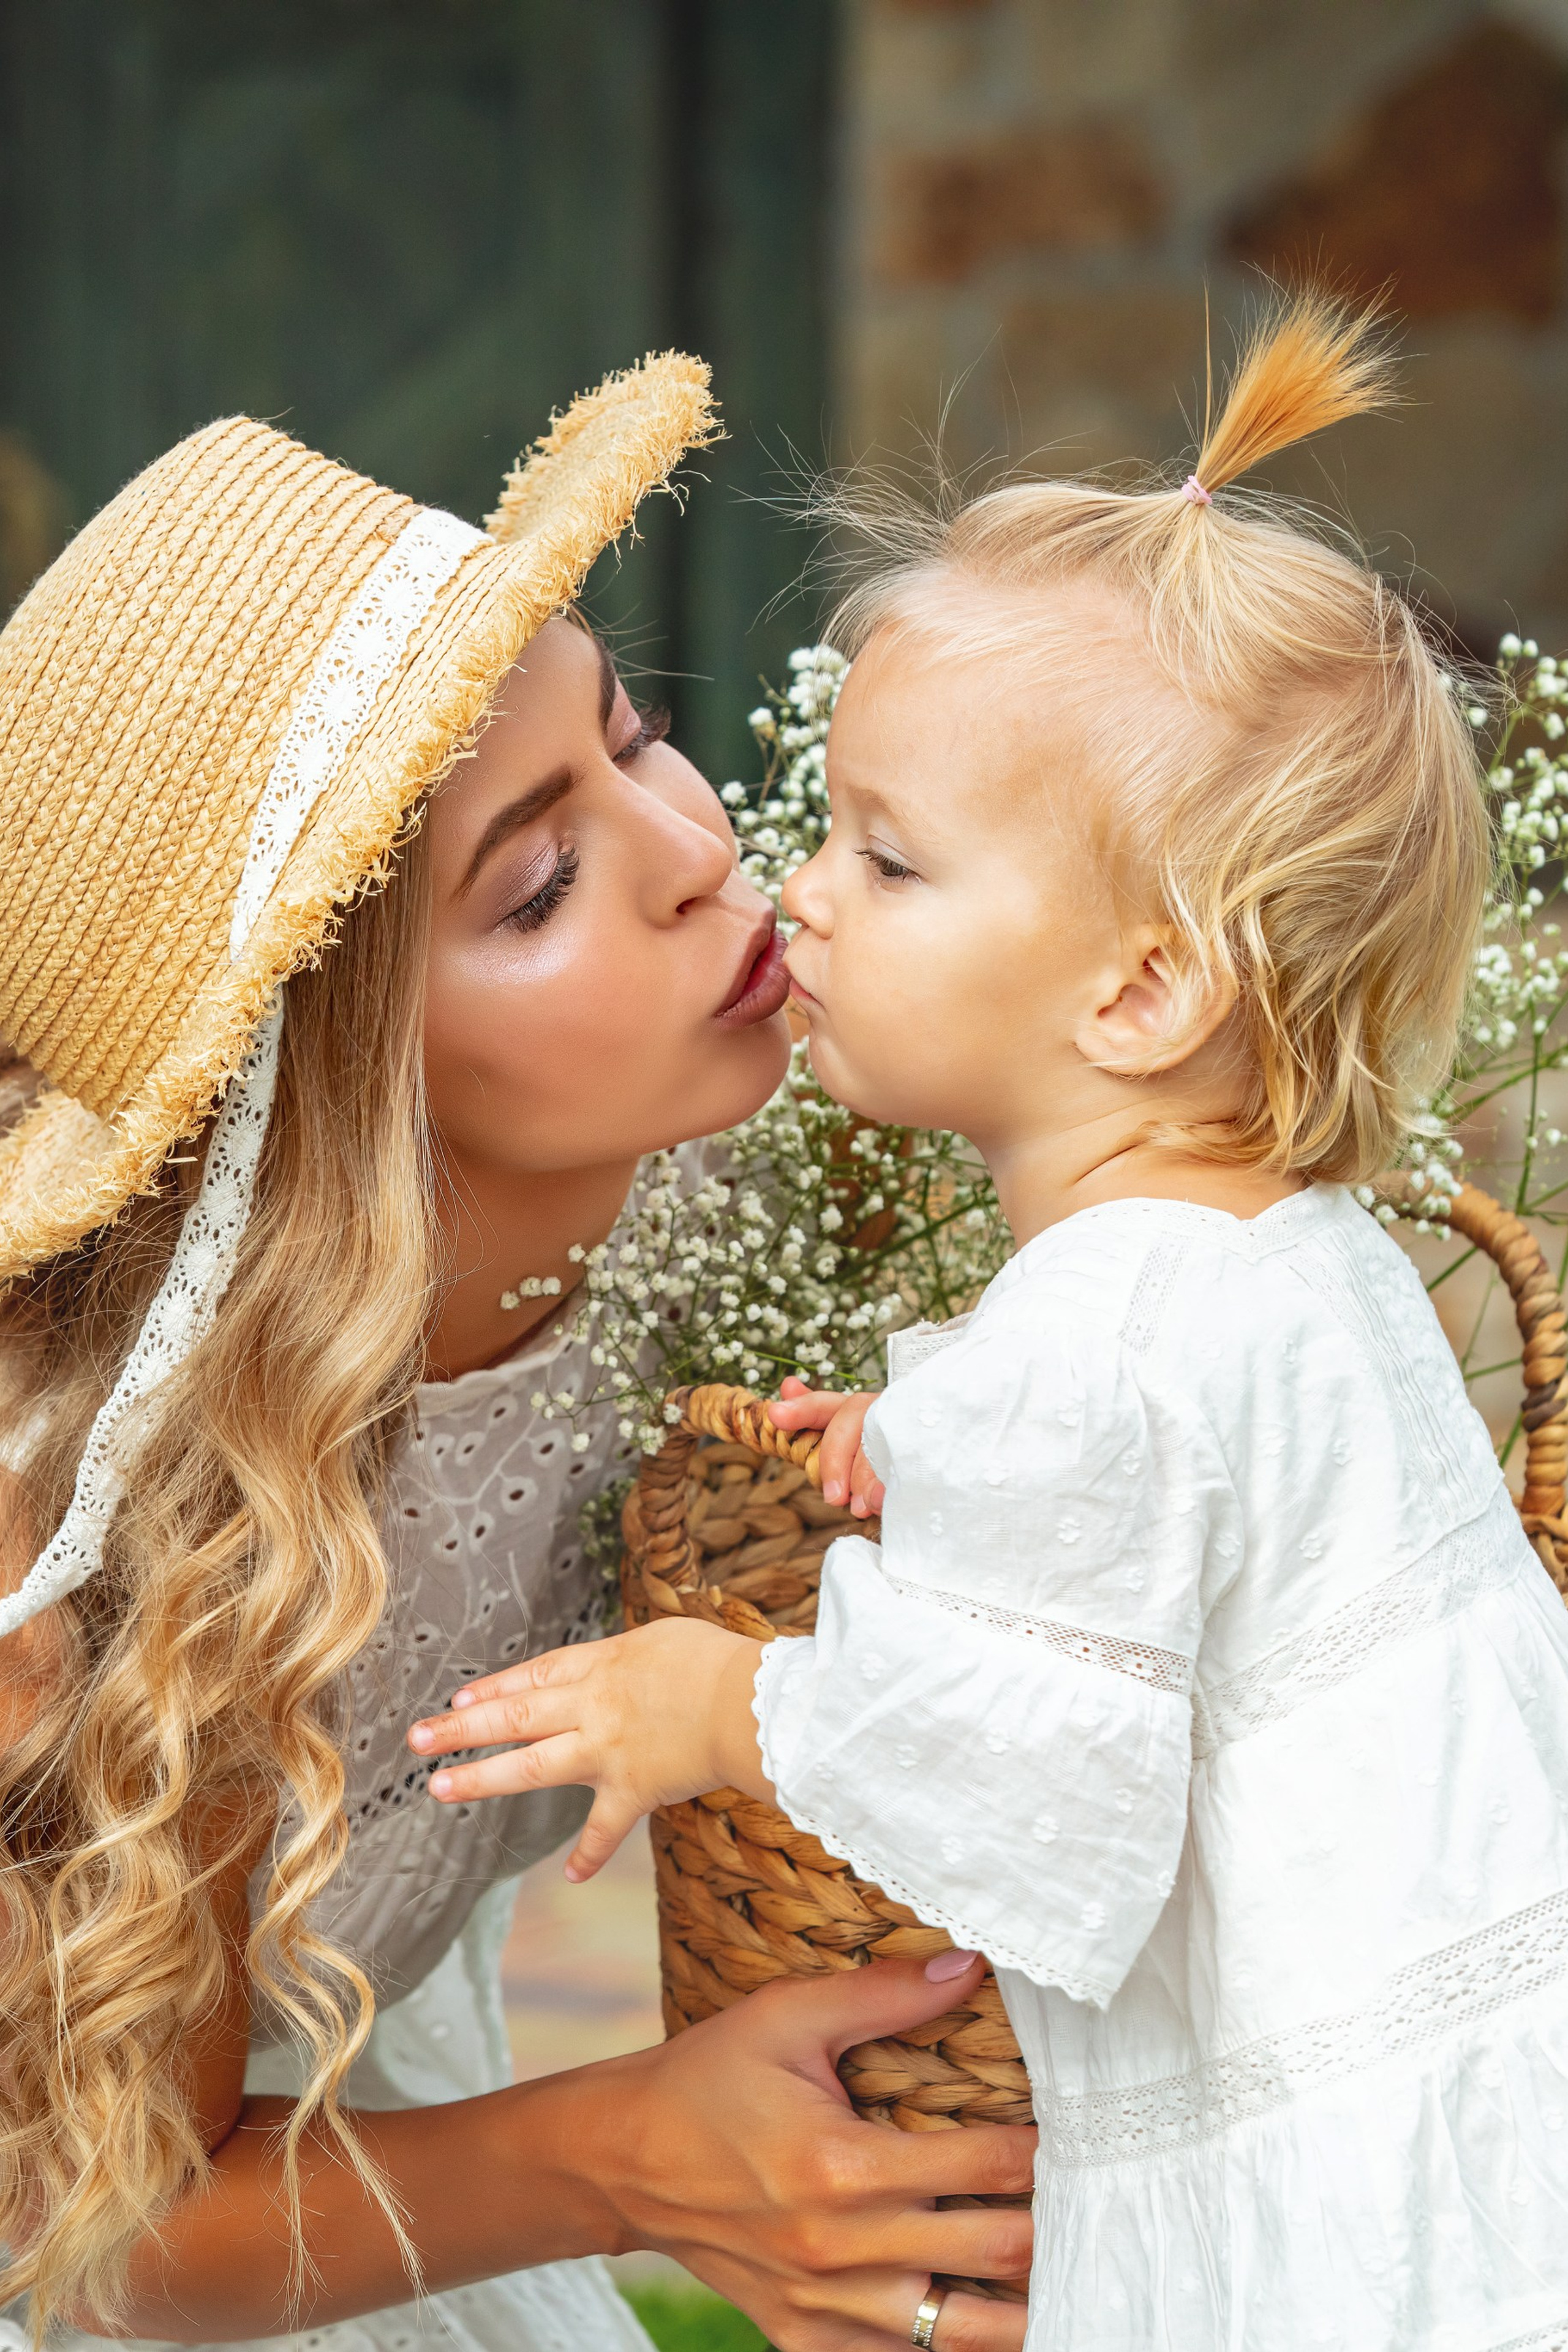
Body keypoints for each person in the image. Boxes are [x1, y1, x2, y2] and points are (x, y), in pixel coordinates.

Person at [411, 297, 1568, 2351]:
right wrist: (934, 1441)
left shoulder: (1103, 1344)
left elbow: (1043, 1796)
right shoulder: (1298, 1261)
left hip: (1328, 2185)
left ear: (1135, 993)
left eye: (891, 855)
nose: (801, 891)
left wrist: (722, 1702)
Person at [0, 359, 1037, 2352]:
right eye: (541, 884)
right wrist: (632, 2152)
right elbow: (104, 2242)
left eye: (637, 735)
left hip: (371, 2088)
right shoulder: (154, 1522)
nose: (688, 851)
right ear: (322, 1105)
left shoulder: (762, 1187)